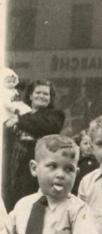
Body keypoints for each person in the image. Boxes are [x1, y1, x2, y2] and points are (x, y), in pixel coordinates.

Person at [3, 80, 66, 208]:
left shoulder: (56, 115)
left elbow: (46, 125)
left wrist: (19, 120)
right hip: (14, 167)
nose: (41, 96)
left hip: (37, 168)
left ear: (50, 98)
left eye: (45, 94)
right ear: (30, 95)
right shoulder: (19, 113)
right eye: (38, 92)